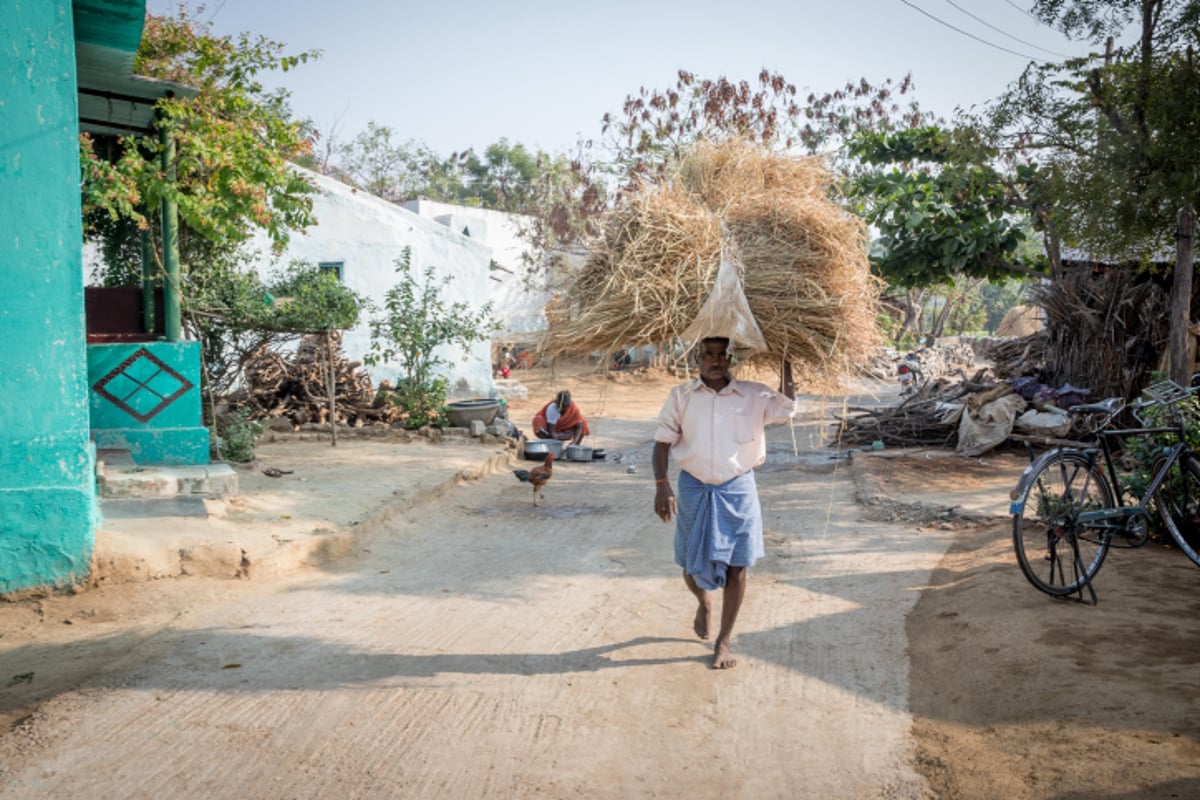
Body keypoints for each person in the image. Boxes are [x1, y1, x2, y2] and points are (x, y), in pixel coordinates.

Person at [651, 336, 796, 669]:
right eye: (708, 355)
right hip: (694, 487)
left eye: (721, 356)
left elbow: (788, 406)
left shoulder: (754, 394)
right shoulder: (681, 396)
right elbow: (661, 445)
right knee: (689, 562)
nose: (715, 361)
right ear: (698, 358)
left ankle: (724, 641)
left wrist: (786, 359)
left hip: (738, 488)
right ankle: (704, 602)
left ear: (730, 359)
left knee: (738, 565)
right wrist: (662, 486)